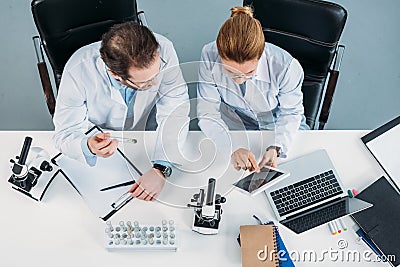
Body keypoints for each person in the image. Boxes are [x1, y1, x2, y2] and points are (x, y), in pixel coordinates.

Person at [53, 22, 189, 201]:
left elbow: (175, 108)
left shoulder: (164, 50)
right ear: (115, 74)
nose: (156, 84)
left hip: (145, 135)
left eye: (158, 73)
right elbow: (64, 133)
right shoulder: (78, 70)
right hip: (104, 145)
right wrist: (88, 146)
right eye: (145, 82)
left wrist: (161, 167)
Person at [197, 6, 309, 173]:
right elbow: (207, 113)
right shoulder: (209, 54)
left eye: (249, 72)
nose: (239, 79)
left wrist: (276, 146)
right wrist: (231, 147)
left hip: (279, 126)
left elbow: (291, 113)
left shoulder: (286, 67)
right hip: (237, 126)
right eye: (230, 72)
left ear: (261, 54)